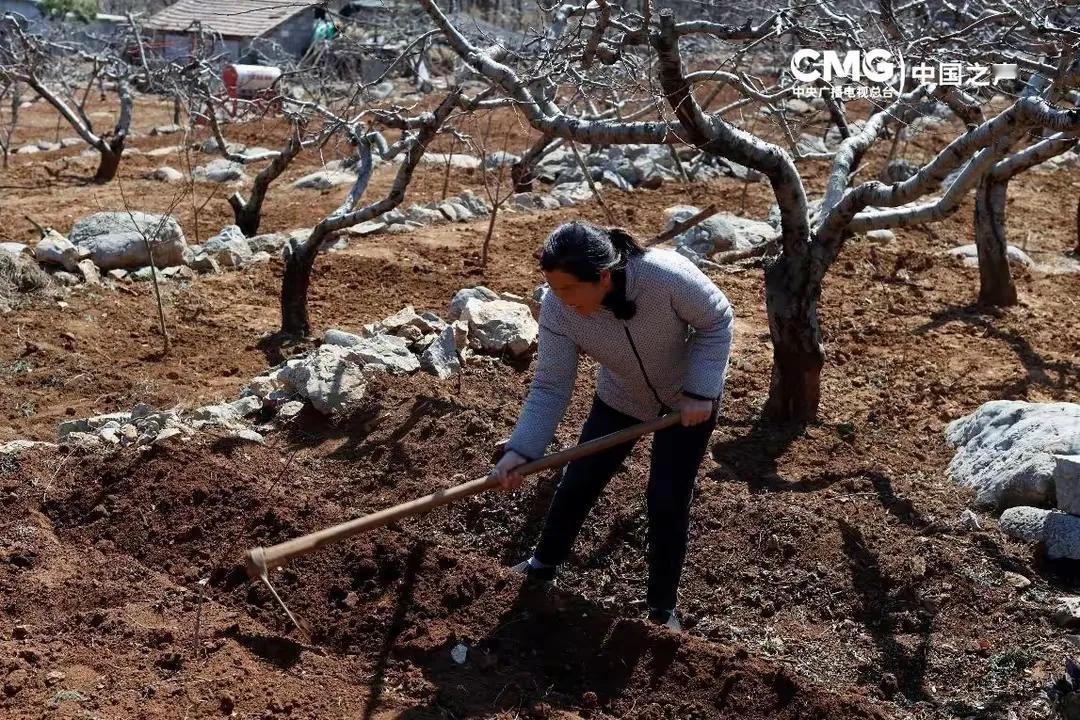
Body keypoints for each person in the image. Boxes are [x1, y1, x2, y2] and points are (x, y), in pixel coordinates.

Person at [489, 221, 735, 631]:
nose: (561, 300)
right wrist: (522, 450)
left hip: (687, 403)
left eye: (569, 289)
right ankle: (542, 565)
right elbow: (551, 384)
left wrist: (700, 390)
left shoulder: (664, 275)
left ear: (603, 276)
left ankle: (661, 610)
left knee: (666, 500)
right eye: (554, 288)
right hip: (621, 397)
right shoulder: (556, 308)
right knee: (580, 479)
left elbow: (717, 320)